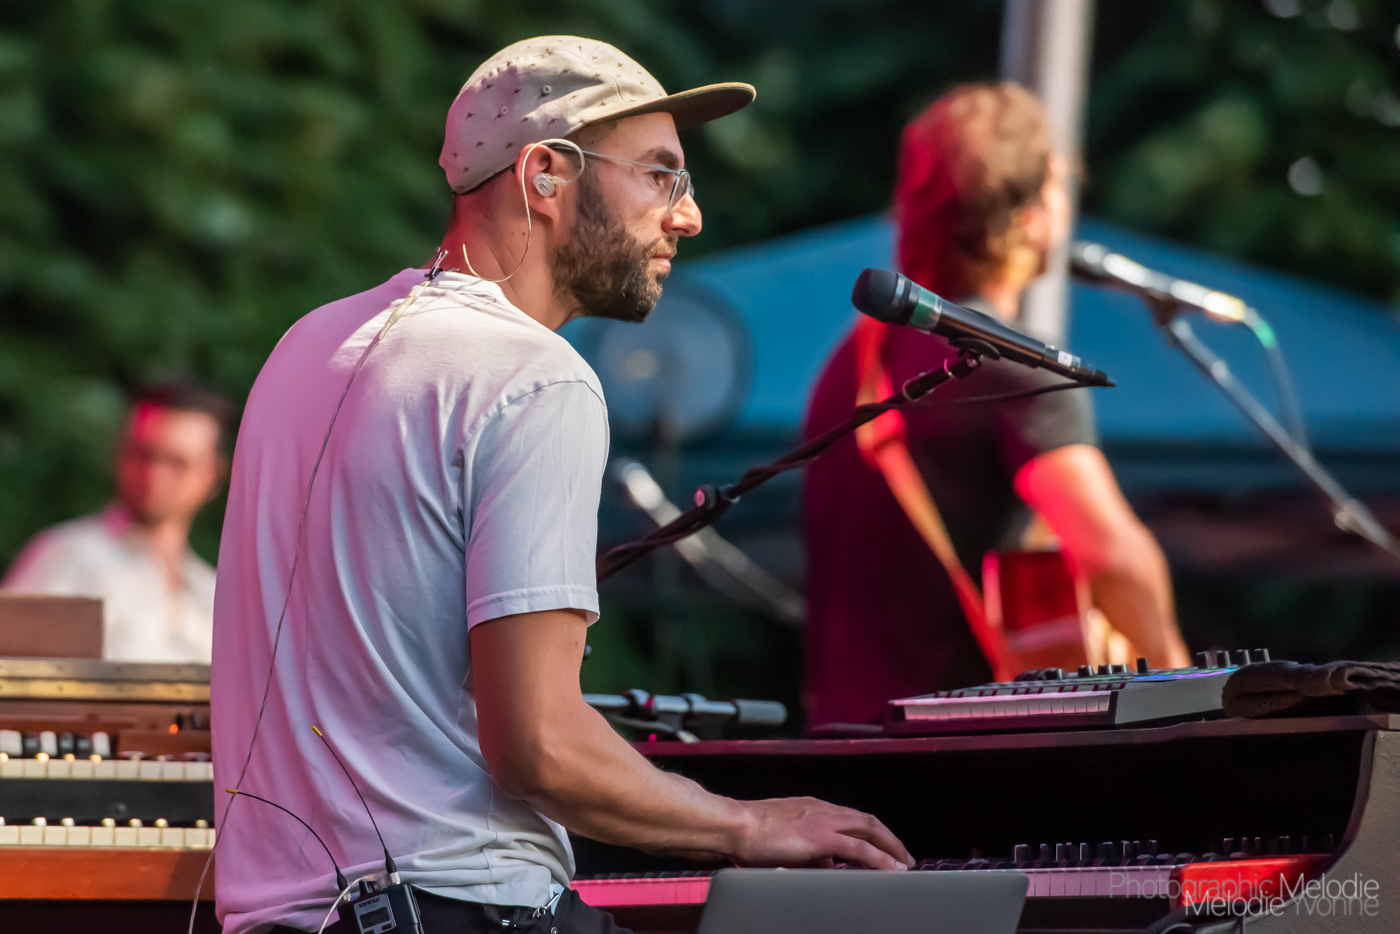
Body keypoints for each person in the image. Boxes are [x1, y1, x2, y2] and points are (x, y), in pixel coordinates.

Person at [212, 37, 911, 934]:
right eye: (659, 175)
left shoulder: (305, 345)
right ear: (545, 174)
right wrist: (748, 824)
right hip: (459, 907)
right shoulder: (535, 378)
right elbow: (539, 746)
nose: (689, 215)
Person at [803, 83, 1191, 729]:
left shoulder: (848, 365)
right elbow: (1111, 554)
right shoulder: (1013, 365)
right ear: (1029, 215)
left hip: (842, 738)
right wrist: (1184, 686)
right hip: (961, 747)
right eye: (1061, 187)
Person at [3, 382, 228, 663]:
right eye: (142, 454)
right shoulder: (69, 554)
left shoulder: (213, 592)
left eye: (176, 462)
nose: (154, 475)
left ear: (213, 475)